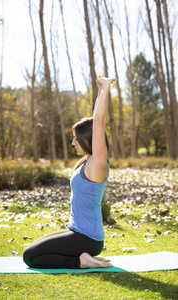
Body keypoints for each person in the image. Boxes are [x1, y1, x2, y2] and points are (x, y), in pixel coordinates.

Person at [23, 75, 116, 269]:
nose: (73, 143)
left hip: (87, 237)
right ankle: (85, 257)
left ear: (87, 139)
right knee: (32, 248)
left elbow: (99, 122)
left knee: (30, 257)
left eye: (75, 138)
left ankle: (81, 261)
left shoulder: (98, 163)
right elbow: (96, 120)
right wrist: (100, 90)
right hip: (77, 231)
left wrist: (106, 87)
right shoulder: (88, 161)